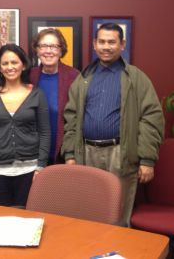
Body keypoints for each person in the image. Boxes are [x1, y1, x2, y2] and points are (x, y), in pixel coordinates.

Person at [61, 23, 164, 226]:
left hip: (121, 153)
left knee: (118, 212)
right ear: (94, 44)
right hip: (86, 153)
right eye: (102, 41)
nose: (106, 46)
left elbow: (151, 117)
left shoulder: (136, 78)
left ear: (122, 44)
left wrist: (147, 160)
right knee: (88, 210)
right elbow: (71, 118)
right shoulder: (83, 79)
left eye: (111, 42)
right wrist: (70, 154)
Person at [0, 44, 50, 207]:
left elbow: (45, 132)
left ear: (23, 65)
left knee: (27, 216)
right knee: (0, 218)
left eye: (14, 62)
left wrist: (41, 166)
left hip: (29, 169)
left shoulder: (37, 94)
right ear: (0, 68)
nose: (10, 67)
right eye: (5, 63)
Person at [30, 28, 79, 164]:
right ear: (37, 50)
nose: (48, 51)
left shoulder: (74, 77)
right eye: (43, 46)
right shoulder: (29, 76)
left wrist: (71, 154)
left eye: (53, 46)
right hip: (33, 153)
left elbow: (78, 119)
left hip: (63, 153)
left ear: (61, 50)